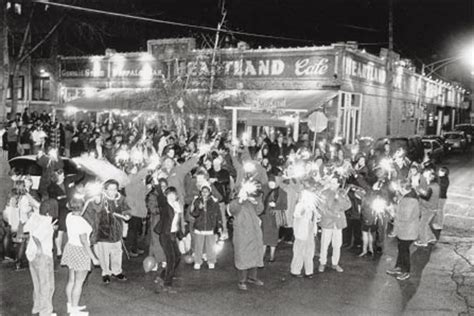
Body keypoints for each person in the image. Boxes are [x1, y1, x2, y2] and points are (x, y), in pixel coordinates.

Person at [61, 198, 99, 315]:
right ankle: (74, 310)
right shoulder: (81, 223)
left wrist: (88, 200)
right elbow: (84, 241)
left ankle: (71, 305)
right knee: (79, 282)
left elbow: (79, 212)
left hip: (71, 248)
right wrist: (93, 258)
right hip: (81, 251)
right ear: (82, 208)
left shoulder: (69, 216)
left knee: (71, 280)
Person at [89, 179, 131, 284]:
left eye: (115, 189)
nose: (113, 191)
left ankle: (117, 271)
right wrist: (97, 200)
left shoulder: (121, 199)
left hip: (116, 231)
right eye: (110, 189)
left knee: (117, 252)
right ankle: (106, 272)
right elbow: (96, 208)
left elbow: (126, 209)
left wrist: (127, 215)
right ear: (105, 190)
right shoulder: (101, 199)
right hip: (104, 231)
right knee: (104, 254)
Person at [229, 182, 265, 291]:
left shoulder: (251, 201)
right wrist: (240, 200)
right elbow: (232, 210)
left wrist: (257, 201)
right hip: (242, 234)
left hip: (254, 232)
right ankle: (242, 280)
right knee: (243, 257)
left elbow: (260, 210)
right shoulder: (235, 202)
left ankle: (252, 277)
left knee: (255, 254)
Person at [24, 207, 56, 316]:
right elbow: (37, 236)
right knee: (47, 285)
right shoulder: (47, 221)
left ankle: (37, 307)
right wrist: (39, 249)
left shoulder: (35, 216)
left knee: (37, 283)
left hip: (31, 255)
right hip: (43, 255)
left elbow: (26, 229)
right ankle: (45, 311)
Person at [386, 181, 420, 281]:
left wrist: (393, 214)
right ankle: (399, 267)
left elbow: (405, 217)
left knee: (404, 251)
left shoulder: (410, 200)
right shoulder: (408, 198)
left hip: (407, 231)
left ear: (403, 188)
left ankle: (406, 271)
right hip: (405, 230)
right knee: (401, 248)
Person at [318, 178, 351, 273]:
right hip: (327, 222)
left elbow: (348, 205)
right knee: (324, 244)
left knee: (337, 244)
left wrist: (340, 197)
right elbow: (322, 209)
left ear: (338, 183)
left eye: (334, 182)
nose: (332, 184)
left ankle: (335, 263)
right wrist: (334, 215)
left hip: (338, 223)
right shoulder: (324, 193)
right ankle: (322, 262)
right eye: (330, 182)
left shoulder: (342, 192)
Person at [153, 186, 183, 293]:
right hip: (165, 235)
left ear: (176, 196)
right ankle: (167, 284)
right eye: (168, 194)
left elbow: (177, 223)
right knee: (171, 258)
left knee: (178, 257)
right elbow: (160, 198)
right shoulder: (165, 206)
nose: (171, 197)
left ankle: (162, 276)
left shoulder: (177, 206)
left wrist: (181, 237)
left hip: (173, 234)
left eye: (173, 194)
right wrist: (156, 183)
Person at [190, 184, 222, 270]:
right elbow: (193, 214)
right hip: (199, 227)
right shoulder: (197, 200)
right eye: (203, 191)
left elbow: (218, 215)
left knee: (211, 245)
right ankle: (197, 261)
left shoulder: (214, 201)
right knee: (198, 246)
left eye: (206, 191)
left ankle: (211, 260)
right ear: (200, 192)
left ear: (210, 192)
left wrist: (219, 226)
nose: (204, 193)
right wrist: (199, 208)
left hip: (210, 227)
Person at [290, 189, 320, 278]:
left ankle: (309, 271)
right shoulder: (300, 205)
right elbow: (296, 215)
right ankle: (295, 271)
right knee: (299, 251)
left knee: (309, 251)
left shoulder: (312, 206)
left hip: (310, 231)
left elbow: (316, 218)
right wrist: (305, 209)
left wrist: (317, 217)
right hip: (301, 231)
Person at [261, 175, 287, 262]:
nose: (271, 184)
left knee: (273, 236)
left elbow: (285, 206)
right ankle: (262, 255)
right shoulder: (264, 190)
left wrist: (276, 206)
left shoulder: (282, 192)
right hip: (266, 217)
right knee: (264, 236)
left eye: (273, 183)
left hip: (276, 217)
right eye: (270, 182)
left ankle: (272, 255)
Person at [415, 168, 439, 247]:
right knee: (425, 224)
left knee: (422, 225)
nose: (427, 178)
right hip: (432, 208)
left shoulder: (431, 187)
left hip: (429, 209)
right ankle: (431, 237)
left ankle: (423, 241)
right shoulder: (436, 185)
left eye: (428, 176)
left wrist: (419, 193)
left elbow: (427, 197)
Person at [432, 167, 449, 237]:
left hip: (441, 197)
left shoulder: (445, 180)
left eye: (441, 171)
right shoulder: (440, 178)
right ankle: (438, 223)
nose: (439, 172)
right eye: (439, 170)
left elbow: (442, 188)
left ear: (445, 173)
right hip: (439, 197)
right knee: (439, 211)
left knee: (440, 211)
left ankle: (439, 225)